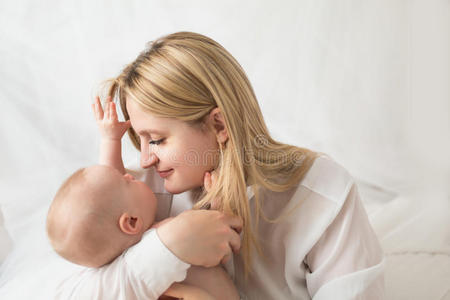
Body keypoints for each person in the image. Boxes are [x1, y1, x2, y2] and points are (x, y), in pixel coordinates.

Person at [103, 31, 386, 299]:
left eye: (157, 139)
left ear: (219, 124)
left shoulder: (322, 192)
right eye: (140, 140)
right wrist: (169, 244)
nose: (144, 159)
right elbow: (75, 287)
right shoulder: (138, 193)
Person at [45, 96, 240, 300]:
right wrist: (218, 200)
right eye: (127, 182)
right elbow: (213, 228)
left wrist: (110, 140)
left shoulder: (139, 245)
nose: (129, 174)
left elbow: (108, 189)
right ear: (131, 221)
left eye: (158, 139)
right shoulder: (165, 235)